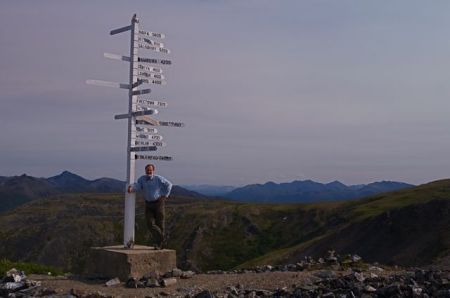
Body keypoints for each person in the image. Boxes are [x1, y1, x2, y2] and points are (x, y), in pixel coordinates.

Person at [128, 164, 172, 249]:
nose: (149, 172)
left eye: (150, 170)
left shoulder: (158, 178)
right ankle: (162, 237)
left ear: (153, 170)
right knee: (150, 223)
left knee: (160, 223)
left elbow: (169, 184)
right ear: (145, 171)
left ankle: (160, 245)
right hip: (148, 204)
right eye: (147, 170)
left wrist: (165, 195)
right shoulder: (142, 179)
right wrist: (131, 188)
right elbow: (138, 186)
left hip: (159, 203)